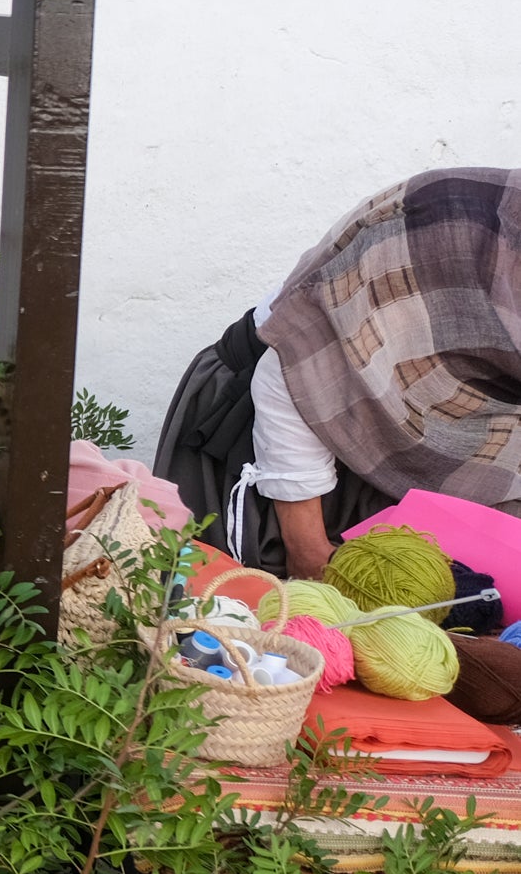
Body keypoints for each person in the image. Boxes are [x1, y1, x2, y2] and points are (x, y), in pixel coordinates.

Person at [157, 168, 521, 577]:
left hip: (413, 445)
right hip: (283, 434)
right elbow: (301, 363)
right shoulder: (452, 230)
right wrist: (308, 549)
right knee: (248, 617)